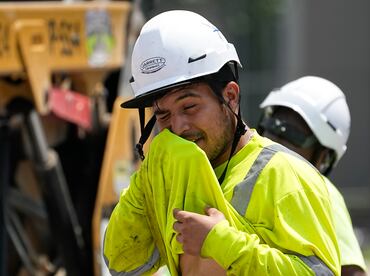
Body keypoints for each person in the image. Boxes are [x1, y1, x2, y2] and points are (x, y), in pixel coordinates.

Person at [103, 10, 340, 276]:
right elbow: (123, 264)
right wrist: (147, 177)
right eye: (163, 115)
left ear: (230, 96)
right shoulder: (177, 175)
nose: (178, 127)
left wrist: (221, 243)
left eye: (190, 106)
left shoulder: (287, 176)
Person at [258, 76, 367, 276]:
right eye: (272, 127)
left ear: (323, 157)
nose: (274, 142)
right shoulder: (249, 178)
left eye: (292, 136)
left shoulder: (323, 194)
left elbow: (351, 272)